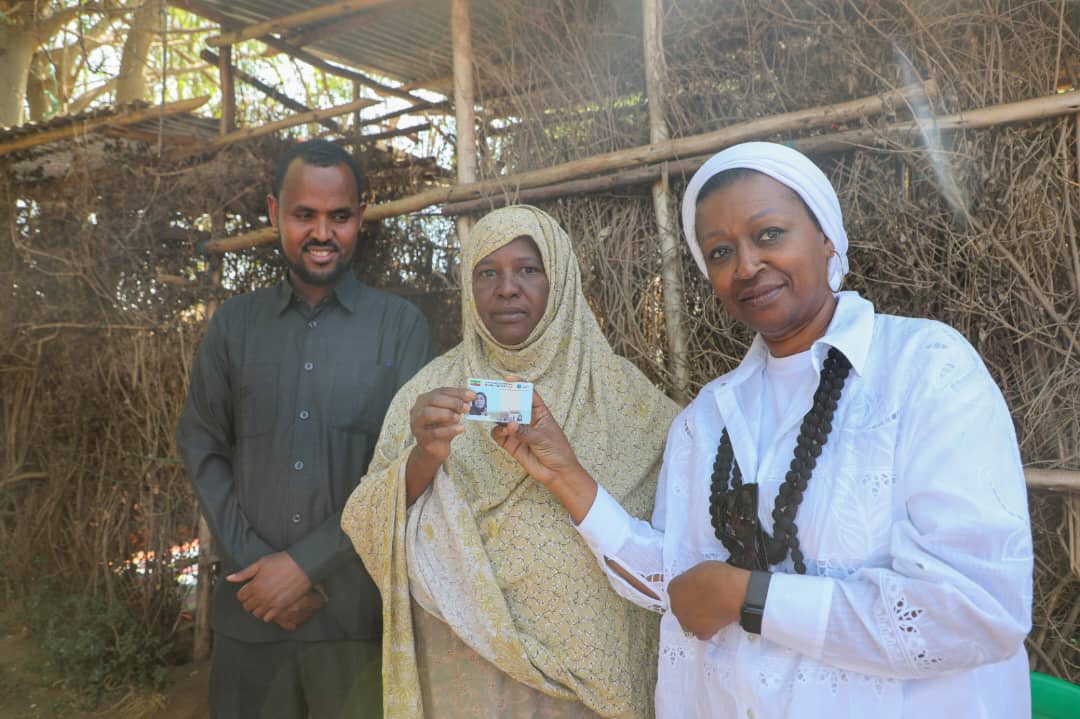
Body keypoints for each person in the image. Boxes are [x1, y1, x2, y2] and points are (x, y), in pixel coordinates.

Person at [493, 142, 1034, 718]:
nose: (747, 265)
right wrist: (566, 477)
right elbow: (685, 589)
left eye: (769, 234)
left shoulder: (924, 370)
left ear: (826, 236)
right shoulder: (707, 419)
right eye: (720, 251)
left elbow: (976, 610)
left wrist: (748, 598)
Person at [341, 205, 680, 718]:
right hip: (468, 674)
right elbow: (364, 519)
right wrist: (422, 458)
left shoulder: (623, 397)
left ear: (560, 278)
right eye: (487, 273)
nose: (506, 288)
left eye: (528, 269)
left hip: (594, 685)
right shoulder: (431, 391)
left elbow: (683, 540)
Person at [176, 139, 432, 719]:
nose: (323, 232)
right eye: (304, 215)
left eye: (338, 216)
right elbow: (201, 443)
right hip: (250, 621)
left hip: (354, 625)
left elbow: (406, 467)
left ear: (360, 216)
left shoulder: (400, 329)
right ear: (274, 213)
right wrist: (258, 570)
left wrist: (305, 566)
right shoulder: (233, 328)